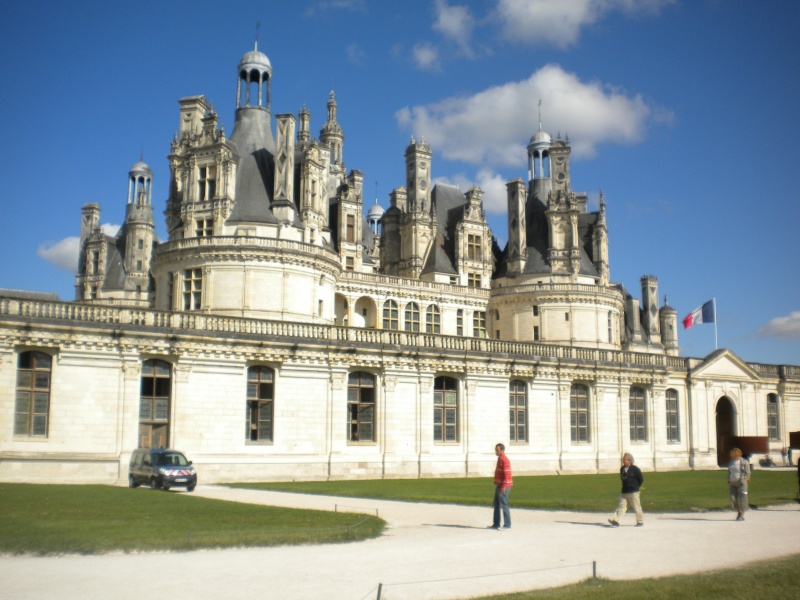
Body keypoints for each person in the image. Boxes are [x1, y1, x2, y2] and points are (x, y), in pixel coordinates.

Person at [608, 452, 644, 527]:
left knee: (636, 506)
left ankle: (640, 521)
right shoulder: (622, 469)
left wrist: (635, 486)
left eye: (625, 459)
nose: (623, 461)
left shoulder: (635, 469)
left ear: (629, 460)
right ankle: (616, 520)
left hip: (633, 491)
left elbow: (640, 479)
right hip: (624, 491)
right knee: (621, 506)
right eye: (623, 459)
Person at [489, 443, 512, 530]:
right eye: (496, 450)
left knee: (504, 504)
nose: (496, 451)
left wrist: (504, 486)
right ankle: (496, 523)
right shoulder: (500, 459)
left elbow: (507, 474)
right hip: (499, 484)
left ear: (502, 450)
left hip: (504, 485)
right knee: (497, 504)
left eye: (497, 450)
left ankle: (507, 524)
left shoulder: (504, 460)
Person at [727, 447, 751, 521]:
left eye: (735, 455)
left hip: (741, 483)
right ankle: (739, 512)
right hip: (732, 483)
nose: (734, 456)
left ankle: (742, 515)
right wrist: (728, 479)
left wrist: (745, 479)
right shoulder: (731, 462)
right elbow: (729, 472)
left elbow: (748, 473)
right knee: (732, 499)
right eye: (733, 455)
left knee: (743, 499)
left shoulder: (744, 462)